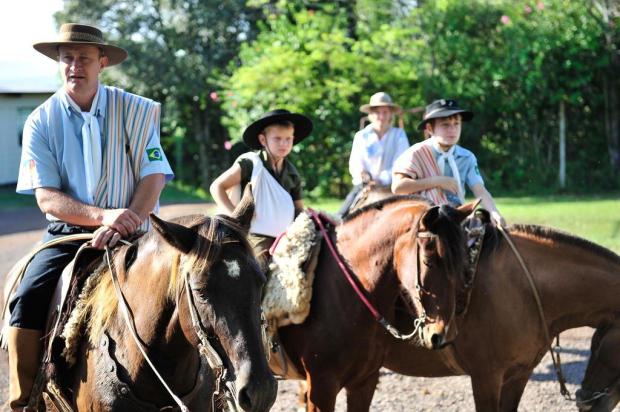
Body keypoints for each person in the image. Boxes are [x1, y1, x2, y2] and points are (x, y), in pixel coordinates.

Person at [7, 23, 173, 410]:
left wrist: (127, 219)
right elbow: (47, 198)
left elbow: (154, 174)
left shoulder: (137, 110)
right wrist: (103, 217)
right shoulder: (41, 121)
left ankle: (213, 386)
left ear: (102, 63)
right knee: (27, 297)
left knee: (193, 286)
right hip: (69, 236)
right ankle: (23, 401)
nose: (74, 66)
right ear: (59, 64)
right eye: (67, 58)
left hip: (138, 232)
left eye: (83, 58)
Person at [210, 109, 313, 271]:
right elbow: (217, 187)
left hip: (286, 237)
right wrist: (235, 217)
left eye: (288, 139)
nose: (283, 144)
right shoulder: (251, 163)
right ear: (263, 139)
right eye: (277, 139)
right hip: (255, 236)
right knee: (258, 272)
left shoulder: (292, 173)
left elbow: (298, 209)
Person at [392, 98, 505, 226]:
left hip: (457, 218)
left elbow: (479, 189)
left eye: (456, 124)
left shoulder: (466, 157)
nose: (452, 130)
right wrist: (437, 181)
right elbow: (398, 187)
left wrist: (494, 212)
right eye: (445, 125)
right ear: (430, 128)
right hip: (423, 220)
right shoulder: (417, 153)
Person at [339, 92, 409, 215]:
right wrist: (363, 174)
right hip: (365, 187)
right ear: (370, 114)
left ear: (391, 114)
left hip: (393, 186)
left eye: (385, 112)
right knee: (342, 216)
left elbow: (401, 164)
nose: (381, 116)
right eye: (377, 112)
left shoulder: (399, 135)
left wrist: (380, 179)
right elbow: (355, 163)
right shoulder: (361, 136)